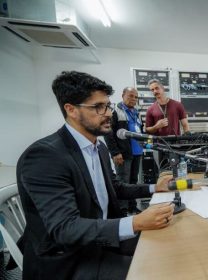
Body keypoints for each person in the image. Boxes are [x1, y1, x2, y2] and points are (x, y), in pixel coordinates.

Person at [16, 71, 175, 280]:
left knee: (170, 248)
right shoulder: (44, 156)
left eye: (107, 105)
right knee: (159, 272)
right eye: (98, 107)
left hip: (98, 241)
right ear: (71, 110)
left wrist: (155, 187)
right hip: (68, 261)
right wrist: (135, 222)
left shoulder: (98, 147)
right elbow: (65, 228)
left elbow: (116, 189)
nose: (108, 113)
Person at [104, 87, 143, 215]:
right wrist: (115, 152)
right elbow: (108, 133)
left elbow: (139, 131)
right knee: (123, 183)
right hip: (123, 154)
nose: (133, 99)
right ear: (123, 95)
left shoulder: (136, 112)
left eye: (136, 97)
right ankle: (122, 210)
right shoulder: (115, 111)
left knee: (133, 182)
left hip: (136, 153)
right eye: (130, 96)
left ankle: (132, 207)